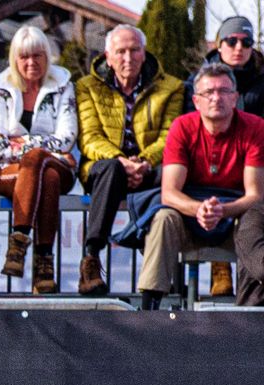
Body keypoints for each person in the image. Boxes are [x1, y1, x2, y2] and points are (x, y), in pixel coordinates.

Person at [141, 61, 263, 309]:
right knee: (163, 218)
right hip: (190, 215)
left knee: (254, 222)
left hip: (235, 216)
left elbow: (255, 194)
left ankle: (251, 312)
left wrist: (221, 211)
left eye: (224, 91)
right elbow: (169, 192)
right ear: (196, 101)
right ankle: (149, 305)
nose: (216, 98)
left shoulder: (255, 126)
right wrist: (200, 209)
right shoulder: (182, 126)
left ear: (235, 98)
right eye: (209, 92)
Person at [75, 24, 181, 297]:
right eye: (120, 51)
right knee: (110, 169)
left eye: (134, 50)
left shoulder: (172, 87)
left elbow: (170, 135)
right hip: (105, 169)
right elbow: (89, 137)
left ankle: (162, 269)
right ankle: (91, 259)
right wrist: (122, 162)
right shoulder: (87, 86)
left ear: (144, 54)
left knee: (176, 175)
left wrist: (143, 162)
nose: (128, 58)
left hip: (150, 168)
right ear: (108, 57)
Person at [0, 25, 78, 293]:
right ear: (15, 59)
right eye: (24, 56)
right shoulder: (2, 88)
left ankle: (18, 242)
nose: (31, 62)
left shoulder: (63, 86)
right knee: (48, 176)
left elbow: (67, 138)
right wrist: (44, 148)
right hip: (8, 172)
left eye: (37, 55)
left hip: (56, 165)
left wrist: (25, 144)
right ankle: (44, 263)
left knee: (39, 161)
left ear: (47, 57)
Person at [192, 17, 264, 119]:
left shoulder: (261, 80)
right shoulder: (198, 81)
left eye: (246, 42)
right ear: (220, 46)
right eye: (232, 41)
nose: (239, 48)